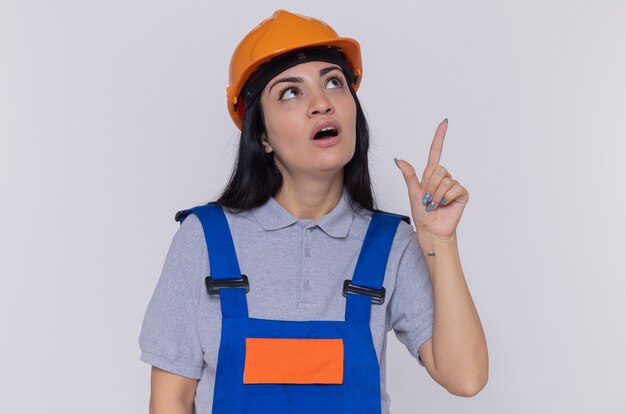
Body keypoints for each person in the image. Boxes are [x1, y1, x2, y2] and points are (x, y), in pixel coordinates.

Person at [138, 9, 488, 414]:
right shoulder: (204, 238)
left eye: (334, 82)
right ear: (262, 135)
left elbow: (465, 377)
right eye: (291, 91)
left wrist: (439, 240)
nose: (322, 103)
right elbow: (171, 402)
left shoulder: (390, 244)